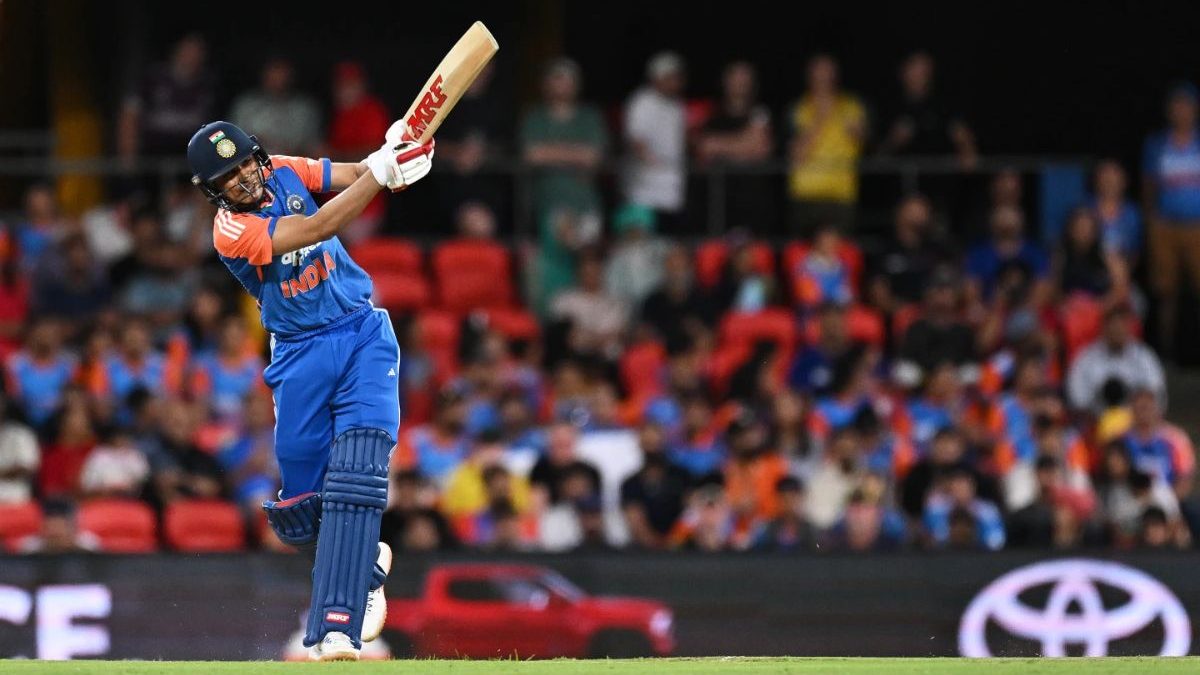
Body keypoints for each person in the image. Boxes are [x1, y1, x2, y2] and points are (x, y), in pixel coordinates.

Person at [186, 118, 434, 660]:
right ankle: (365, 570)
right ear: (214, 192)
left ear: (259, 157)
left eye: (246, 164)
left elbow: (359, 175)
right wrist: (381, 174)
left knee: (359, 467)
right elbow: (318, 228)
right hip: (300, 353)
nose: (244, 180)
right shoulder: (230, 230)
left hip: (361, 331)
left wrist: (401, 158)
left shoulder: (289, 170)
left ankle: (335, 627)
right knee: (300, 510)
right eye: (228, 178)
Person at [520, 58, 608, 314]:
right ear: (545, 84)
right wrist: (575, 155)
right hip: (547, 209)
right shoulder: (534, 118)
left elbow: (593, 157)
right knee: (547, 271)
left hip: (586, 207)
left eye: (566, 79)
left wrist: (552, 153)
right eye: (555, 78)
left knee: (587, 270)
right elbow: (531, 155)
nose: (561, 85)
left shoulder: (589, 117)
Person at [1143, 82, 1200, 359]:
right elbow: (1149, 186)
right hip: (1165, 226)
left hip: (1198, 227)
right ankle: (1166, 353)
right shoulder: (1156, 145)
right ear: (1169, 111)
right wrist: (1152, 220)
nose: (1182, 111)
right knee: (1166, 294)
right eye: (1176, 105)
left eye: (1187, 105)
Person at [786, 55, 866, 234]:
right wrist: (818, 121)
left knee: (840, 256)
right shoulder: (798, 108)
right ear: (809, 76)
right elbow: (796, 155)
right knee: (805, 256)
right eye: (819, 72)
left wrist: (857, 131)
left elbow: (865, 146)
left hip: (842, 193)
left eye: (828, 72)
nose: (824, 78)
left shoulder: (851, 106)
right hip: (806, 193)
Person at [696, 61, 776, 232]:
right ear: (725, 81)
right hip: (720, 200)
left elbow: (761, 150)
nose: (740, 83)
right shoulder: (712, 114)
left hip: (753, 199)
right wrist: (745, 145)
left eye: (745, 78)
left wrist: (721, 145)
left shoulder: (760, 112)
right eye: (736, 77)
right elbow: (705, 148)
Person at [623, 52, 687, 231]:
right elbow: (636, 139)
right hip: (644, 190)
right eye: (670, 77)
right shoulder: (641, 101)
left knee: (668, 244)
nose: (675, 81)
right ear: (656, 78)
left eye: (677, 77)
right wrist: (654, 163)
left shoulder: (677, 106)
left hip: (672, 190)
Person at [1066, 305, 1165, 415]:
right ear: (1103, 327)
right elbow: (1077, 400)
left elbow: (1158, 397)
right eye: (1113, 324)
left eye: (1122, 324)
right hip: (1096, 423)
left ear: (1129, 327)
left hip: (1135, 424)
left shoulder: (1144, 357)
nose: (1118, 329)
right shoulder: (1086, 358)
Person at [230, 58, 322, 156]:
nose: (278, 79)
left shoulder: (304, 108)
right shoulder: (246, 105)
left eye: (282, 73)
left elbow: (314, 146)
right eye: (273, 73)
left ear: (291, 76)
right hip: (252, 163)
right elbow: (233, 139)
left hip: (293, 165)